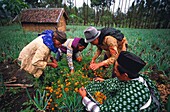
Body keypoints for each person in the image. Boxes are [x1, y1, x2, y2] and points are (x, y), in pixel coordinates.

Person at [79, 51, 161, 112]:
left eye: (115, 70)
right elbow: (117, 81)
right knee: (99, 84)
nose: (114, 72)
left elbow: (101, 111)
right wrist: (104, 81)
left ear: (125, 75)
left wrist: (85, 98)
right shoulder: (134, 77)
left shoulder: (131, 95)